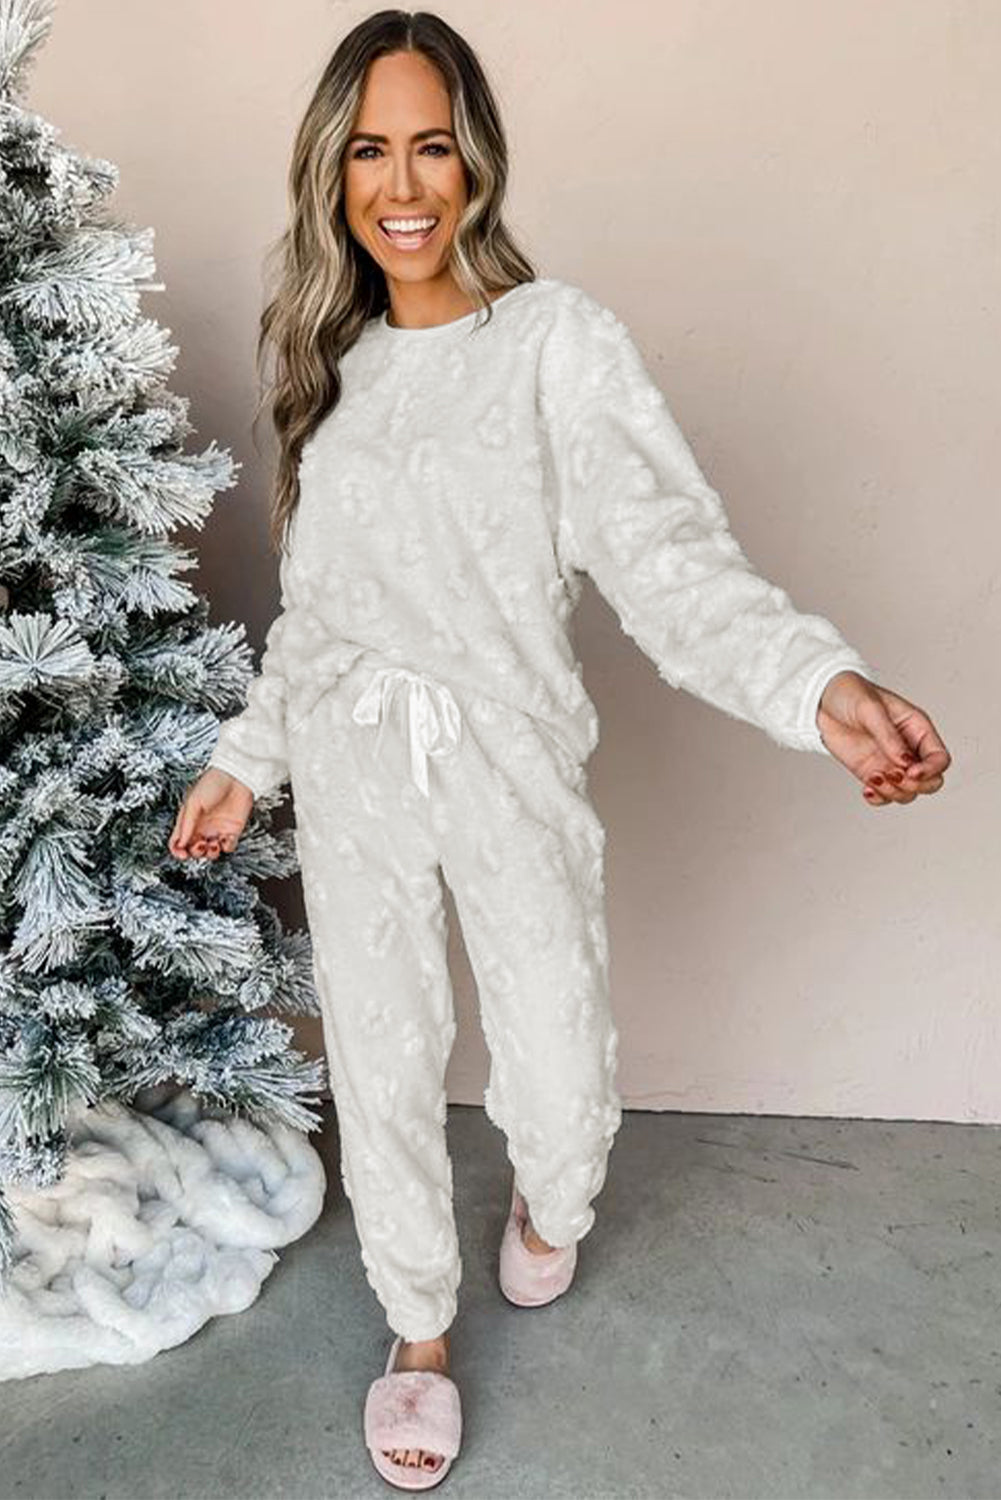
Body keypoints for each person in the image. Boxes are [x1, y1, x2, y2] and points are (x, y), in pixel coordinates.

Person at [168, 11, 951, 1489]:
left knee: (556, 1057)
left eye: (432, 145)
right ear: (333, 173)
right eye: (369, 151)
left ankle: (552, 1202)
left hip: (506, 765)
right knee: (383, 1062)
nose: (403, 184)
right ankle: (416, 1329)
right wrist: (243, 762)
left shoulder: (554, 344)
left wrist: (817, 684)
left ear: (477, 161)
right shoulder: (329, 370)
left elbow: (668, 558)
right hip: (352, 773)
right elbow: (319, 619)